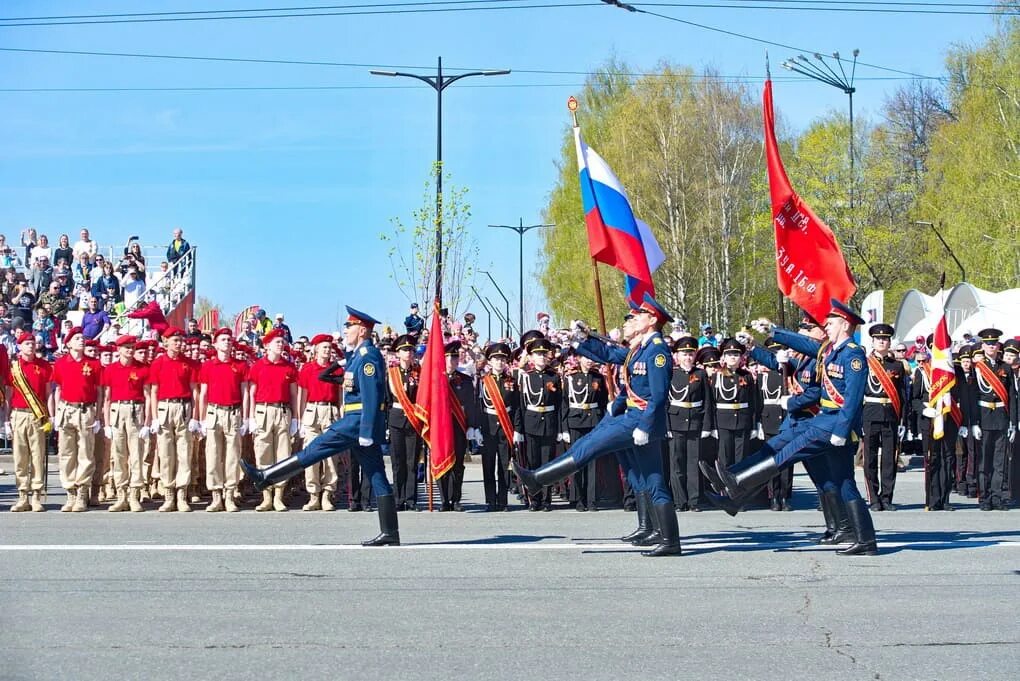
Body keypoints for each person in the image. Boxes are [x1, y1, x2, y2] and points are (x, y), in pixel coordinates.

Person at [514, 294, 681, 557]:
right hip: (633, 416)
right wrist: (581, 340)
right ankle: (666, 537)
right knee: (651, 479)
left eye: (637, 316)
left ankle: (538, 479)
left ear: (651, 321)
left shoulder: (657, 350)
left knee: (590, 445)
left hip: (639, 421)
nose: (633, 319)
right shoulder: (642, 348)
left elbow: (658, 396)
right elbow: (611, 355)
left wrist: (645, 426)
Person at [709, 300, 878, 556]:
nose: (827, 327)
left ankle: (736, 482)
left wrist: (842, 431)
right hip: (825, 421)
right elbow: (805, 345)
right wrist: (773, 332)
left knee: (787, 454)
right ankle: (866, 540)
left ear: (845, 325)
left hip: (830, 424)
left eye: (830, 323)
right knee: (844, 483)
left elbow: (853, 399)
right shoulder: (830, 350)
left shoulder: (852, 354)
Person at [242, 306, 400, 547]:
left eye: (350, 327)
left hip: (356, 423)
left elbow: (371, 395)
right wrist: (341, 360)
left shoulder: (368, 356)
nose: (346, 330)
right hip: (356, 422)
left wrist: (367, 431)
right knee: (377, 474)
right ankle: (390, 532)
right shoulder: (357, 355)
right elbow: (328, 376)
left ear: (363, 331)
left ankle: (266, 476)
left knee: (315, 448)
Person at [245, 328, 299, 512]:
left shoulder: (289, 367)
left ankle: (278, 496)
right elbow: (251, 393)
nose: (281, 344)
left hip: (283, 411)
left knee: (283, 454)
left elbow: (294, 394)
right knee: (263, 452)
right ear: (267, 346)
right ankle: (266, 496)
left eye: (282, 342)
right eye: (277, 342)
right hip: (263, 411)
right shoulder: (257, 366)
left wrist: (295, 418)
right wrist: (251, 417)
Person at [51, 326, 104, 512]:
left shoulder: (94, 363)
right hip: (67, 409)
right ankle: (70, 492)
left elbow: (99, 392)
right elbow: (58, 389)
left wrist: (97, 416)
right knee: (66, 453)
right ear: (69, 343)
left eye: (82, 338)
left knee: (85, 452)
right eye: (77, 338)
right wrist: (56, 414)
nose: (81, 340)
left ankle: (82, 492)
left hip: (86, 410)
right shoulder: (61, 363)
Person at [147, 327, 200, 512]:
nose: (179, 344)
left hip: (183, 407)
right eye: (175, 340)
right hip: (164, 407)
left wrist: (195, 416)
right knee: (166, 453)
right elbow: (153, 391)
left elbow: (195, 391)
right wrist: (154, 417)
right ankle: (169, 494)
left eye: (180, 340)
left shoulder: (190, 363)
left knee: (184, 452)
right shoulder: (158, 363)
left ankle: (182, 494)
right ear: (166, 341)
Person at [196, 328, 247, 512]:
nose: (227, 342)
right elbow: (203, 394)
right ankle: (216, 495)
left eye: (229, 339)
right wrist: (201, 419)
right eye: (223, 339)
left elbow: (245, 392)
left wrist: (246, 417)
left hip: (233, 412)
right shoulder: (208, 366)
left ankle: (230, 495)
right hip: (214, 411)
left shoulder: (240, 365)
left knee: (233, 455)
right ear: (215, 344)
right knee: (213, 455)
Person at [862, 323, 908, 511]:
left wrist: (903, 420)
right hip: (870, 412)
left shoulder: (897, 365)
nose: (882, 341)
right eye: (879, 339)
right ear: (872, 342)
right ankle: (873, 498)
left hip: (891, 413)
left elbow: (903, 393)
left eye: (886, 339)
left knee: (889, 458)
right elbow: (857, 393)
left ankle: (887, 497)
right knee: (870, 459)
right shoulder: (864, 363)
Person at [101, 335, 150, 512]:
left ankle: (134, 495)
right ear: (119, 350)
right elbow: (106, 399)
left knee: (136, 454)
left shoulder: (143, 368)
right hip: (117, 411)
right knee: (119, 454)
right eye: (126, 347)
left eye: (132, 347)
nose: (130, 351)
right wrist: (106, 424)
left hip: (136, 410)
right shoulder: (111, 370)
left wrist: (147, 421)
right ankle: (121, 494)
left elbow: (148, 396)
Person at [666, 335, 715, 512]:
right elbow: (664, 402)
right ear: (677, 356)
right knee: (676, 464)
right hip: (675, 422)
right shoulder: (671, 373)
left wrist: (707, 426)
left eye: (690, 354)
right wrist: (666, 426)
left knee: (693, 463)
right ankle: (680, 501)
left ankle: (694, 501)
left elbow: (708, 402)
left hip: (695, 422)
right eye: (684, 354)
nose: (687, 357)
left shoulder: (700, 374)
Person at [968, 328, 1015, 511]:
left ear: (998, 346)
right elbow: (972, 397)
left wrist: (1012, 422)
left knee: (999, 461)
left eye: (994, 343)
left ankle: (997, 497)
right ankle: (984, 497)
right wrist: (973, 423)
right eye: (988, 343)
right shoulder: (977, 368)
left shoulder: (1005, 368)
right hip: (984, 417)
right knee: (984, 461)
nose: (991, 346)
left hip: (1001, 418)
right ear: (982, 345)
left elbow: (1012, 396)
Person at [514, 337, 561, 511]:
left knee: (548, 463)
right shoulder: (526, 378)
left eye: (543, 354)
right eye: (537, 354)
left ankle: (547, 500)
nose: (541, 357)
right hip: (531, 423)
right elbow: (520, 405)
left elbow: (559, 405)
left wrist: (560, 429)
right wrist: (518, 429)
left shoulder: (554, 377)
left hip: (549, 422)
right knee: (532, 463)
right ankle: (534, 499)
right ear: (531, 358)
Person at [296, 334, 341, 511]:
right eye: (324, 347)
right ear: (315, 349)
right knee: (311, 454)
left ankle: (328, 494)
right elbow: (301, 394)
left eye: (329, 347)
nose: (327, 350)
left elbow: (340, 396)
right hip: (312, 411)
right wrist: (298, 420)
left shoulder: (336, 369)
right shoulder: (307, 369)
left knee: (331, 456)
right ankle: (313, 494)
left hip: (330, 411)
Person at [5, 333, 48, 512]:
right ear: (20, 346)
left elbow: (48, 393)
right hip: (18, 415)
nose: (31, 346)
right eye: (27, 343)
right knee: (20, 457)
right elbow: (8, 394)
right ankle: (23, 495)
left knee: (38, 456)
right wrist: (6, 420)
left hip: (37, 415)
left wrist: (49, 416)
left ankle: (36, 495)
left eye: (33, 343)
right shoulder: (13, 368)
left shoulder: (44, 366)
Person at [560, 352, 607, 511]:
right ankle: (579, 499)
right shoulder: (571, 378)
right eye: (586, 358)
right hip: (575, 421)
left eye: (591, 358)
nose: (589, 361)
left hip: (594, 421)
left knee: (592, 462)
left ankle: (592, 500)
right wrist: (564, 428)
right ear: (579, 359)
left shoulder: (598, 377)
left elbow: (603, 402)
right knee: (577, 461)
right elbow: (565, 404)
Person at [478, 342, 518, 512]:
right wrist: (477, 428)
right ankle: (490, 500)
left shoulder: (512, 381)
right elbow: (477, 405)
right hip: (488, 426)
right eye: (496, 359)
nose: (500, 362)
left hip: (505, 426)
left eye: (502, 359)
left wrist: (517, 429)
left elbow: (517, 407)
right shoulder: (482, 381)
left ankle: (503, 500)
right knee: (488, 465)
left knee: (504, 465)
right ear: (490, 361)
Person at [385, 334, 422, 511]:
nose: (408, 353)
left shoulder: (419, 372)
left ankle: (411, 498)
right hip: (396, 419)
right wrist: (385, 424)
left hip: (414, 419)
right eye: (405, 350)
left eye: (411, 350)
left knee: (412, 461)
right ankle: (398, 498)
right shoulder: (391, 373)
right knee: (398, 461)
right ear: (398, 353)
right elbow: (386, 399)